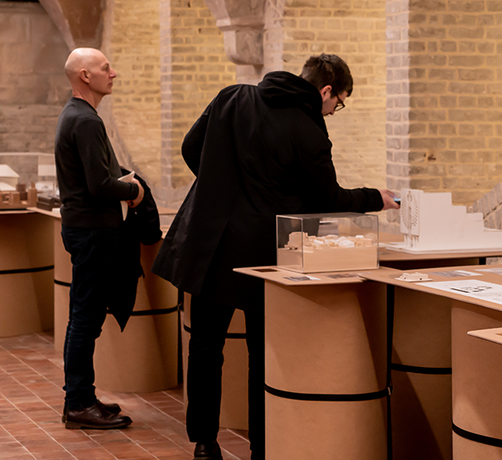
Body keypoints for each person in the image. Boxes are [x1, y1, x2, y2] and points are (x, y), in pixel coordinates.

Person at [152, 53, 398, 460]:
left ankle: (204, 443)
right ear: (325, 91)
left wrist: (222, 184)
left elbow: (190, 147)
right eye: (338, 103)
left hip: (210, 244)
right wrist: (377, 198)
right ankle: (262, 447)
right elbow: (328, 199)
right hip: (263, 253)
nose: (334, 111)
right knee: (261, 352)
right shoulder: (309, 131)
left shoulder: (233, 97)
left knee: (205, 346)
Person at [55, 48, 144, 429]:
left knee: (84, 317)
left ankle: (83, 396)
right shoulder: (85, 121)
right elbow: (99, 185)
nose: (114, 73)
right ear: (86, 77)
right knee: (85, 319)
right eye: (106, 68)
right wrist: (134, 191)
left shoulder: (77, 116)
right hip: (92, 230)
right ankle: (77, 403)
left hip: (86, 228)